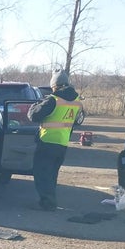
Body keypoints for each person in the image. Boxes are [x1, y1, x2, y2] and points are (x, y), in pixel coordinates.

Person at [27, 69, 83, 210]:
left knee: (42, 173)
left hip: (47, 141)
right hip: (62, 143)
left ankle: (48, 203)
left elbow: (33, 116)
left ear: (55, 85)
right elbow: (76, 121)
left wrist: (36, 104)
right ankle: (50, 200)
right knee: (52, 174)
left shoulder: (53, 100)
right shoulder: (76, 101)